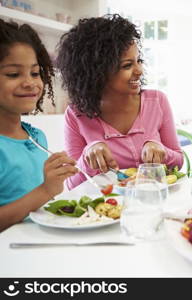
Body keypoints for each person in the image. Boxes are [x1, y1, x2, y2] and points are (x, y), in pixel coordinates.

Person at [56, 14, 183, 189]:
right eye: (127, 65)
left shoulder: (157, 101)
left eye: (139, 61)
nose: (139, 71)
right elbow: (72, 185)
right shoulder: (76, 114)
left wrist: (162, 151)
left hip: (154, 201)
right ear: (97, 72)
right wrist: (88, 159)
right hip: (108, 209)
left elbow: (178, 161)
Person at [0, 20, 78, 232]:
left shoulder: (36, 136)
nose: (30, 82)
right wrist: (46, 190)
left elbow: (38, 208)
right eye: (13, 74)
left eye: (35, 73)